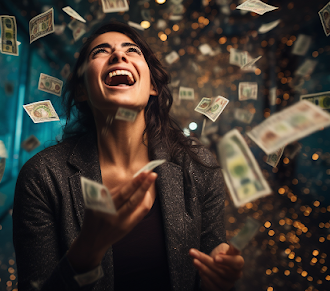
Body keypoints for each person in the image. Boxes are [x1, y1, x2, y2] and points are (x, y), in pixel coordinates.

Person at [13, 21, 244, 290]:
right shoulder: (42, 177)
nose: (118, 55)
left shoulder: (197, 164)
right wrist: (89, 247)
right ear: (81, 90)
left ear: (152, 87)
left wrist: (220, 277)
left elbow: (212, 262)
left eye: (131, 50)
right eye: (100, 51)